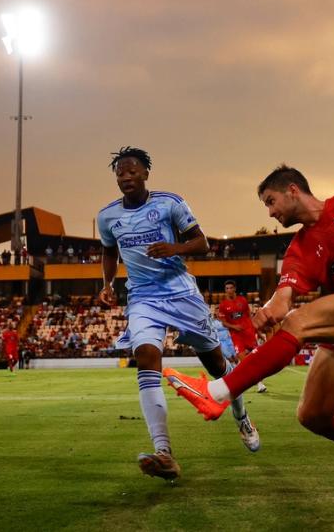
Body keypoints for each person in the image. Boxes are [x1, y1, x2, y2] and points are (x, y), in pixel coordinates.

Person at [164, 165, 334, 494]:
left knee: (298, 324)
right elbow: (284, 297)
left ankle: (216, 393)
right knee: (313, 415)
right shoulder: (301, 248)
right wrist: (270, 309)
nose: (271, 212)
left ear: (292, 190)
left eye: (271, 202)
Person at [98, 146, 259, 481]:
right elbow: (109, 252)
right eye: (120, 173)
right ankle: (164, 452)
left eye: (132, 171)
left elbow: (202, 243)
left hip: (181, 292)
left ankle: (241, 416)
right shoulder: (107, 216)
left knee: (217, 367)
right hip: (142, 297)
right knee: (145, 357)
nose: (125, 177)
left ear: (145, 174)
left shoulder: (169, 203)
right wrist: (108, 284)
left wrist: (175, 248)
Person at [216, 280, 268, 392]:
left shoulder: (242, 301)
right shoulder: (223, 305)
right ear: (225, 291)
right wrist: (234, 327)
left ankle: (255, 381)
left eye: (231, 288)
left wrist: (257, 332)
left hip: (248, 333)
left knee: (255, 359)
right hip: (236, 335)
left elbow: (249, 317)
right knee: (244, 360)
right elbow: (223, 322)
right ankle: (258, 383)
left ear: (235, 289)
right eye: (227, 288)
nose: (229, 290)